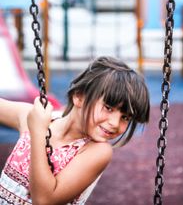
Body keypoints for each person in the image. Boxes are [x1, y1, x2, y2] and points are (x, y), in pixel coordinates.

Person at [0, 56, 150, 205]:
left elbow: (44, 200)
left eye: (125, 117)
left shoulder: (97, 151)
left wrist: (38, 132)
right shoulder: (35, 117)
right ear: (79, 96)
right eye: (108, 108)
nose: (115, 123)